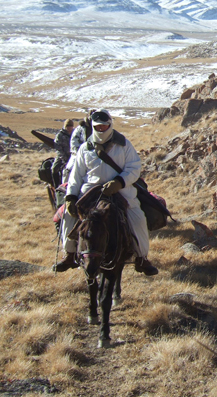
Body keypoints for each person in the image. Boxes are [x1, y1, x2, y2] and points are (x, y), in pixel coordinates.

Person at [54, 109, 158, 276]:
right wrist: (71, 197)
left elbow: (134, 168)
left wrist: (119, 182)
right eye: (98, 127)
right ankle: (70, 253)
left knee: (137, 218)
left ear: (110, 125)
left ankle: (141, 258)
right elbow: (76, 175)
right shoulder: (85, 148)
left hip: (121, 191)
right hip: (90, 192)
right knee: (68, 215)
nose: (101, 130)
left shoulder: (124, 144)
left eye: (104, 126)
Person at [52, 119, 74, 186]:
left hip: (73, 156)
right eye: (67, 126)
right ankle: (56, 186)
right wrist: (63, 158)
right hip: (62, 156)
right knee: (54, 169)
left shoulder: (75, 134)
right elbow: (58, 148)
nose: (69, 128)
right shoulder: (60, 135)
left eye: (70, 126)